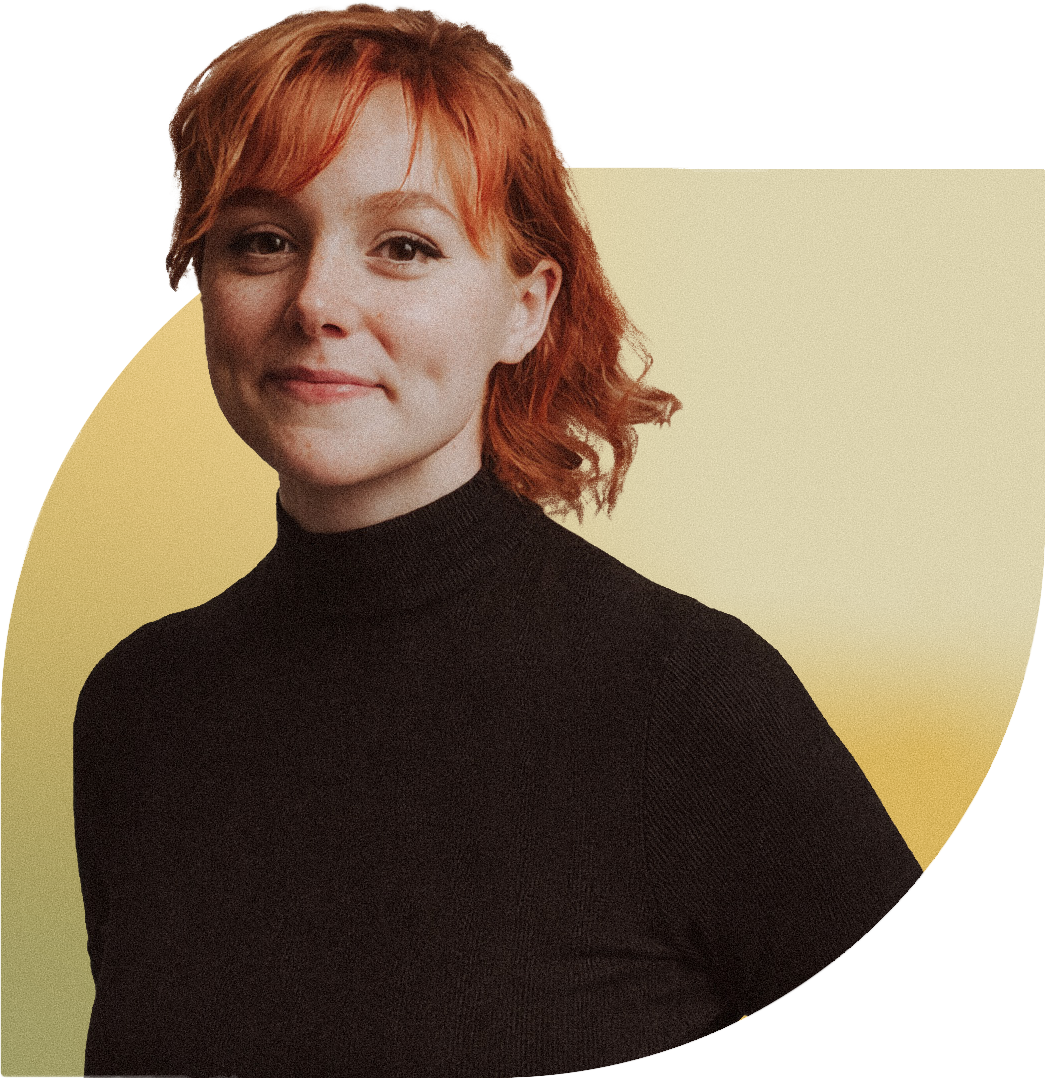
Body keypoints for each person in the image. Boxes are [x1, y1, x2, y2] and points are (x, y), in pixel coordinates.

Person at [73, 5, 924, 1077]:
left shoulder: (685, 698)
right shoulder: (140, 707)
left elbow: (941, 1040)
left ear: (524, 307)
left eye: (404, 246)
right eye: (263, 240)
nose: (318, 300)